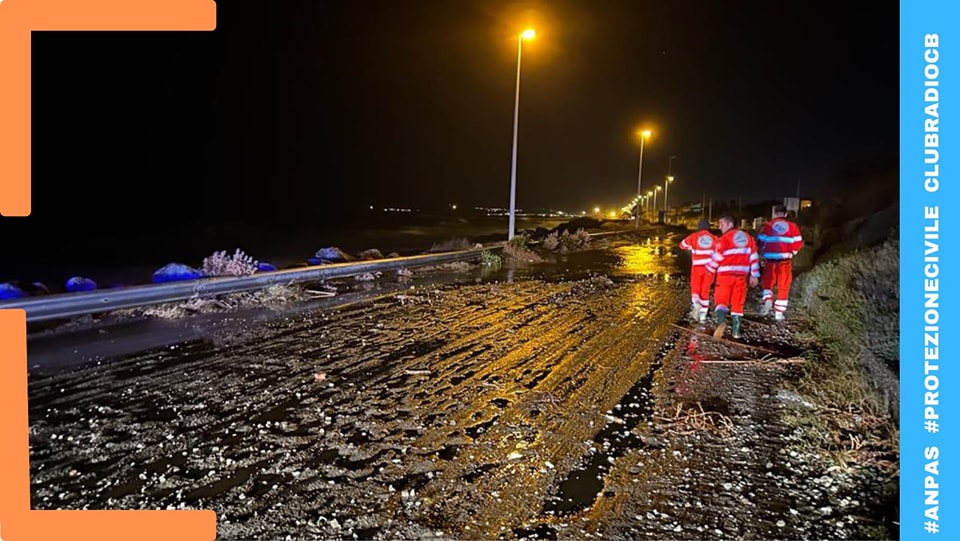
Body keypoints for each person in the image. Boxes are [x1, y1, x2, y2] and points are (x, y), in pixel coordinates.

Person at [705, 214, 760, 339]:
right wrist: (754, 275)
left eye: (722, 224)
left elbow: (716, 258)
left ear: (730, 224)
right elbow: (754, 257)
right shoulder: (748, 238)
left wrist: (709, 271)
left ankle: (721, 322)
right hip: (741, 277)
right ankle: (736, 331)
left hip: (724, 276)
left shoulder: (724, 239)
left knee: (721, 301)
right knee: (738, 303)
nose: (720, 227)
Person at [757, 204, 804, 320]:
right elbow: (798, 243)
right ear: (786, 214)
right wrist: (792, 252)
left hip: (770, 261)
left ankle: (767, 301)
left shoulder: (768, 226)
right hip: (785, 261)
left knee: (767, 283)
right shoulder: (793, 226)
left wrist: (763, 252)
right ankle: (779, 313)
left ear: (775, 214)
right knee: (784, 286)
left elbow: (760, 243)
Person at [678, 220, 718, 323]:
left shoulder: (694, 236)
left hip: (698, 267)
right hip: (710, 269)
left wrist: (691, 247)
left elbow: (682, 245)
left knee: (695, 287)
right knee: (705, 290)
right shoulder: (714, 238)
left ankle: (696, 304)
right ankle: (703, 316)